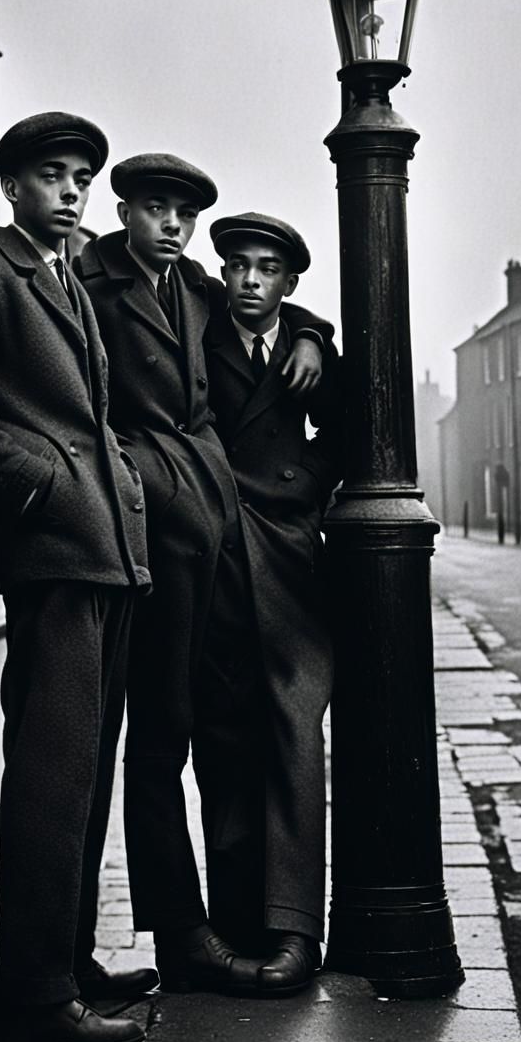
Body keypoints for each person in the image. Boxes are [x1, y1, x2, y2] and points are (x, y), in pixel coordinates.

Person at [0, 113, 155, 1042]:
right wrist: (48, 488)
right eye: (52, 175)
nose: (71, 190)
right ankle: (35, 1005)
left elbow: (93, 420)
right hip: (55, 561)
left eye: (81, 177)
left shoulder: (68, 283)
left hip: (108, 562)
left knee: (88, 782)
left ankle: (72, 962)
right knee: (51, 785)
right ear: (10, 185)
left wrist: (114, 487)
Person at [74, 155, 329, 995]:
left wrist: (311, 338)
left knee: (280, 734)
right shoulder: (108, 286)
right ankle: (201, 932)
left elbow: (286, 321)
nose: (173, 226)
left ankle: (275, 928)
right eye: (157, 208)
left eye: (185, 212)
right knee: (185, 739)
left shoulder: (207, 298)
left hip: (262, 546)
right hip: (175, 540)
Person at [195, 212, 341, 995]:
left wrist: (307, 487)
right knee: (223, 740)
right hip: (214, 552)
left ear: (289, 281)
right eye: (238, 266)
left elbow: (353, 427)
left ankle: (294, 931)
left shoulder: (304, 345)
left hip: (285, 557)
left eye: (266, 268)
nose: (249, 280)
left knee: (292, 737)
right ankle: (233, 927)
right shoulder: (199, 325)